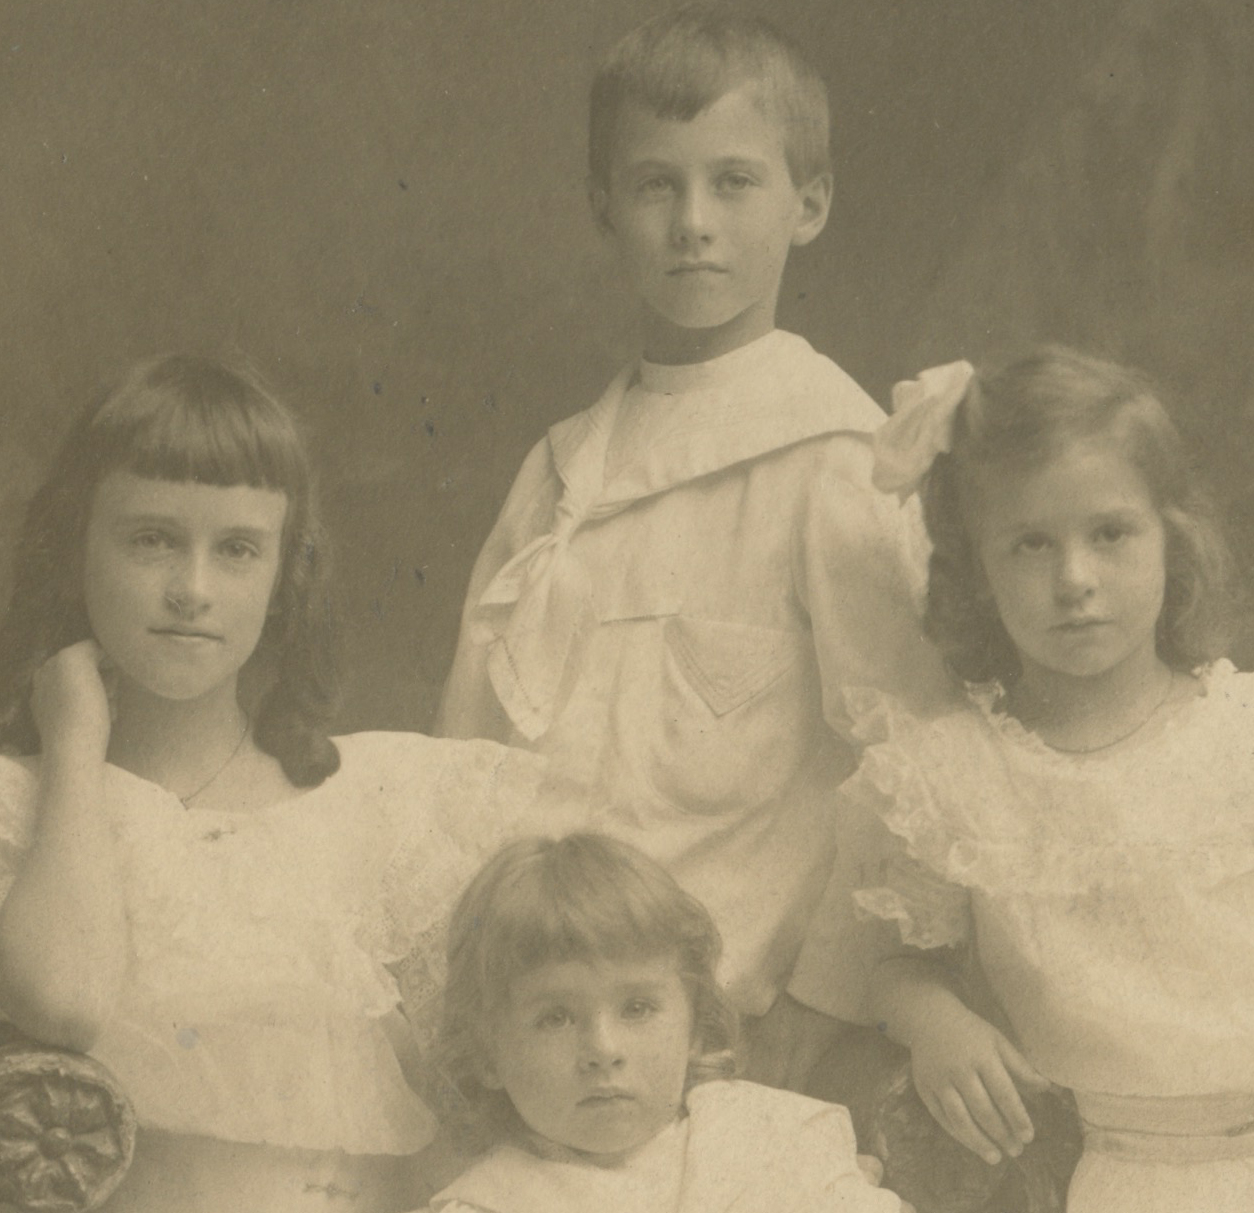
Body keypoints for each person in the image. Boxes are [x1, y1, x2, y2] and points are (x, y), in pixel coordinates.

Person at [436, 3, 949, 1080]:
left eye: (735, 182)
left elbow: (908, 770)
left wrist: (818, 1005)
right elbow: (467, 759)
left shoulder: (834, 459)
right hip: (548, 1042)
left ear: (809, 204)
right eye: (655, 185)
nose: (693, 223)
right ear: (603, 206)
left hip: (738, 1040)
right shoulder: (561, 472)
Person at [0, 354, 549, 1213]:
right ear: (75, 552)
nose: (192, 589)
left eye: (237, 550)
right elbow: (63, 1003)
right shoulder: (25, 804)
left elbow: (495, 1108)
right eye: (151, 539)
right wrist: (73, 744)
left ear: (286, 577)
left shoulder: (377, 806)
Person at [822, 347, 1250, 1212]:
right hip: (1103, 1175)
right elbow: (897, 962)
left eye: (1111, 533)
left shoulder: (1238, 737)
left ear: (1173, 537)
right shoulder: (955, 776)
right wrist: (936, 1020)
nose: (1075, 580)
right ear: (976, 573)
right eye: (1030, 545)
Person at [413, 832, 909, 1213]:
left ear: (694, 1023)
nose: (603, 1049)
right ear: (487, 1053)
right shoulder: (489, 1202)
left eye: (636, 1009)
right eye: (555, 1018)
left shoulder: (771, 1135)